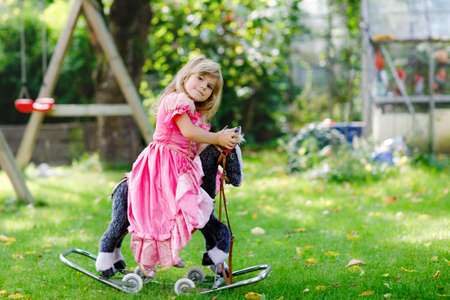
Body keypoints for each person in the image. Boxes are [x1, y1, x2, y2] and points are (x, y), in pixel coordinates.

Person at [127, 55, 238, 278]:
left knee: (188, 206)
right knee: (162, 211)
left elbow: (198, 147)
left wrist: (219, 170)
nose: (203, 88)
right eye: (200, 79)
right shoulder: (177, 100)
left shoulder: (194, 112)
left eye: (209, 87)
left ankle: (169, 255)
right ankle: (146, 261)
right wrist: (216, 137)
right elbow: (188, 132)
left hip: (181, 163)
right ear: (186, 76)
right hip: (164, 161)